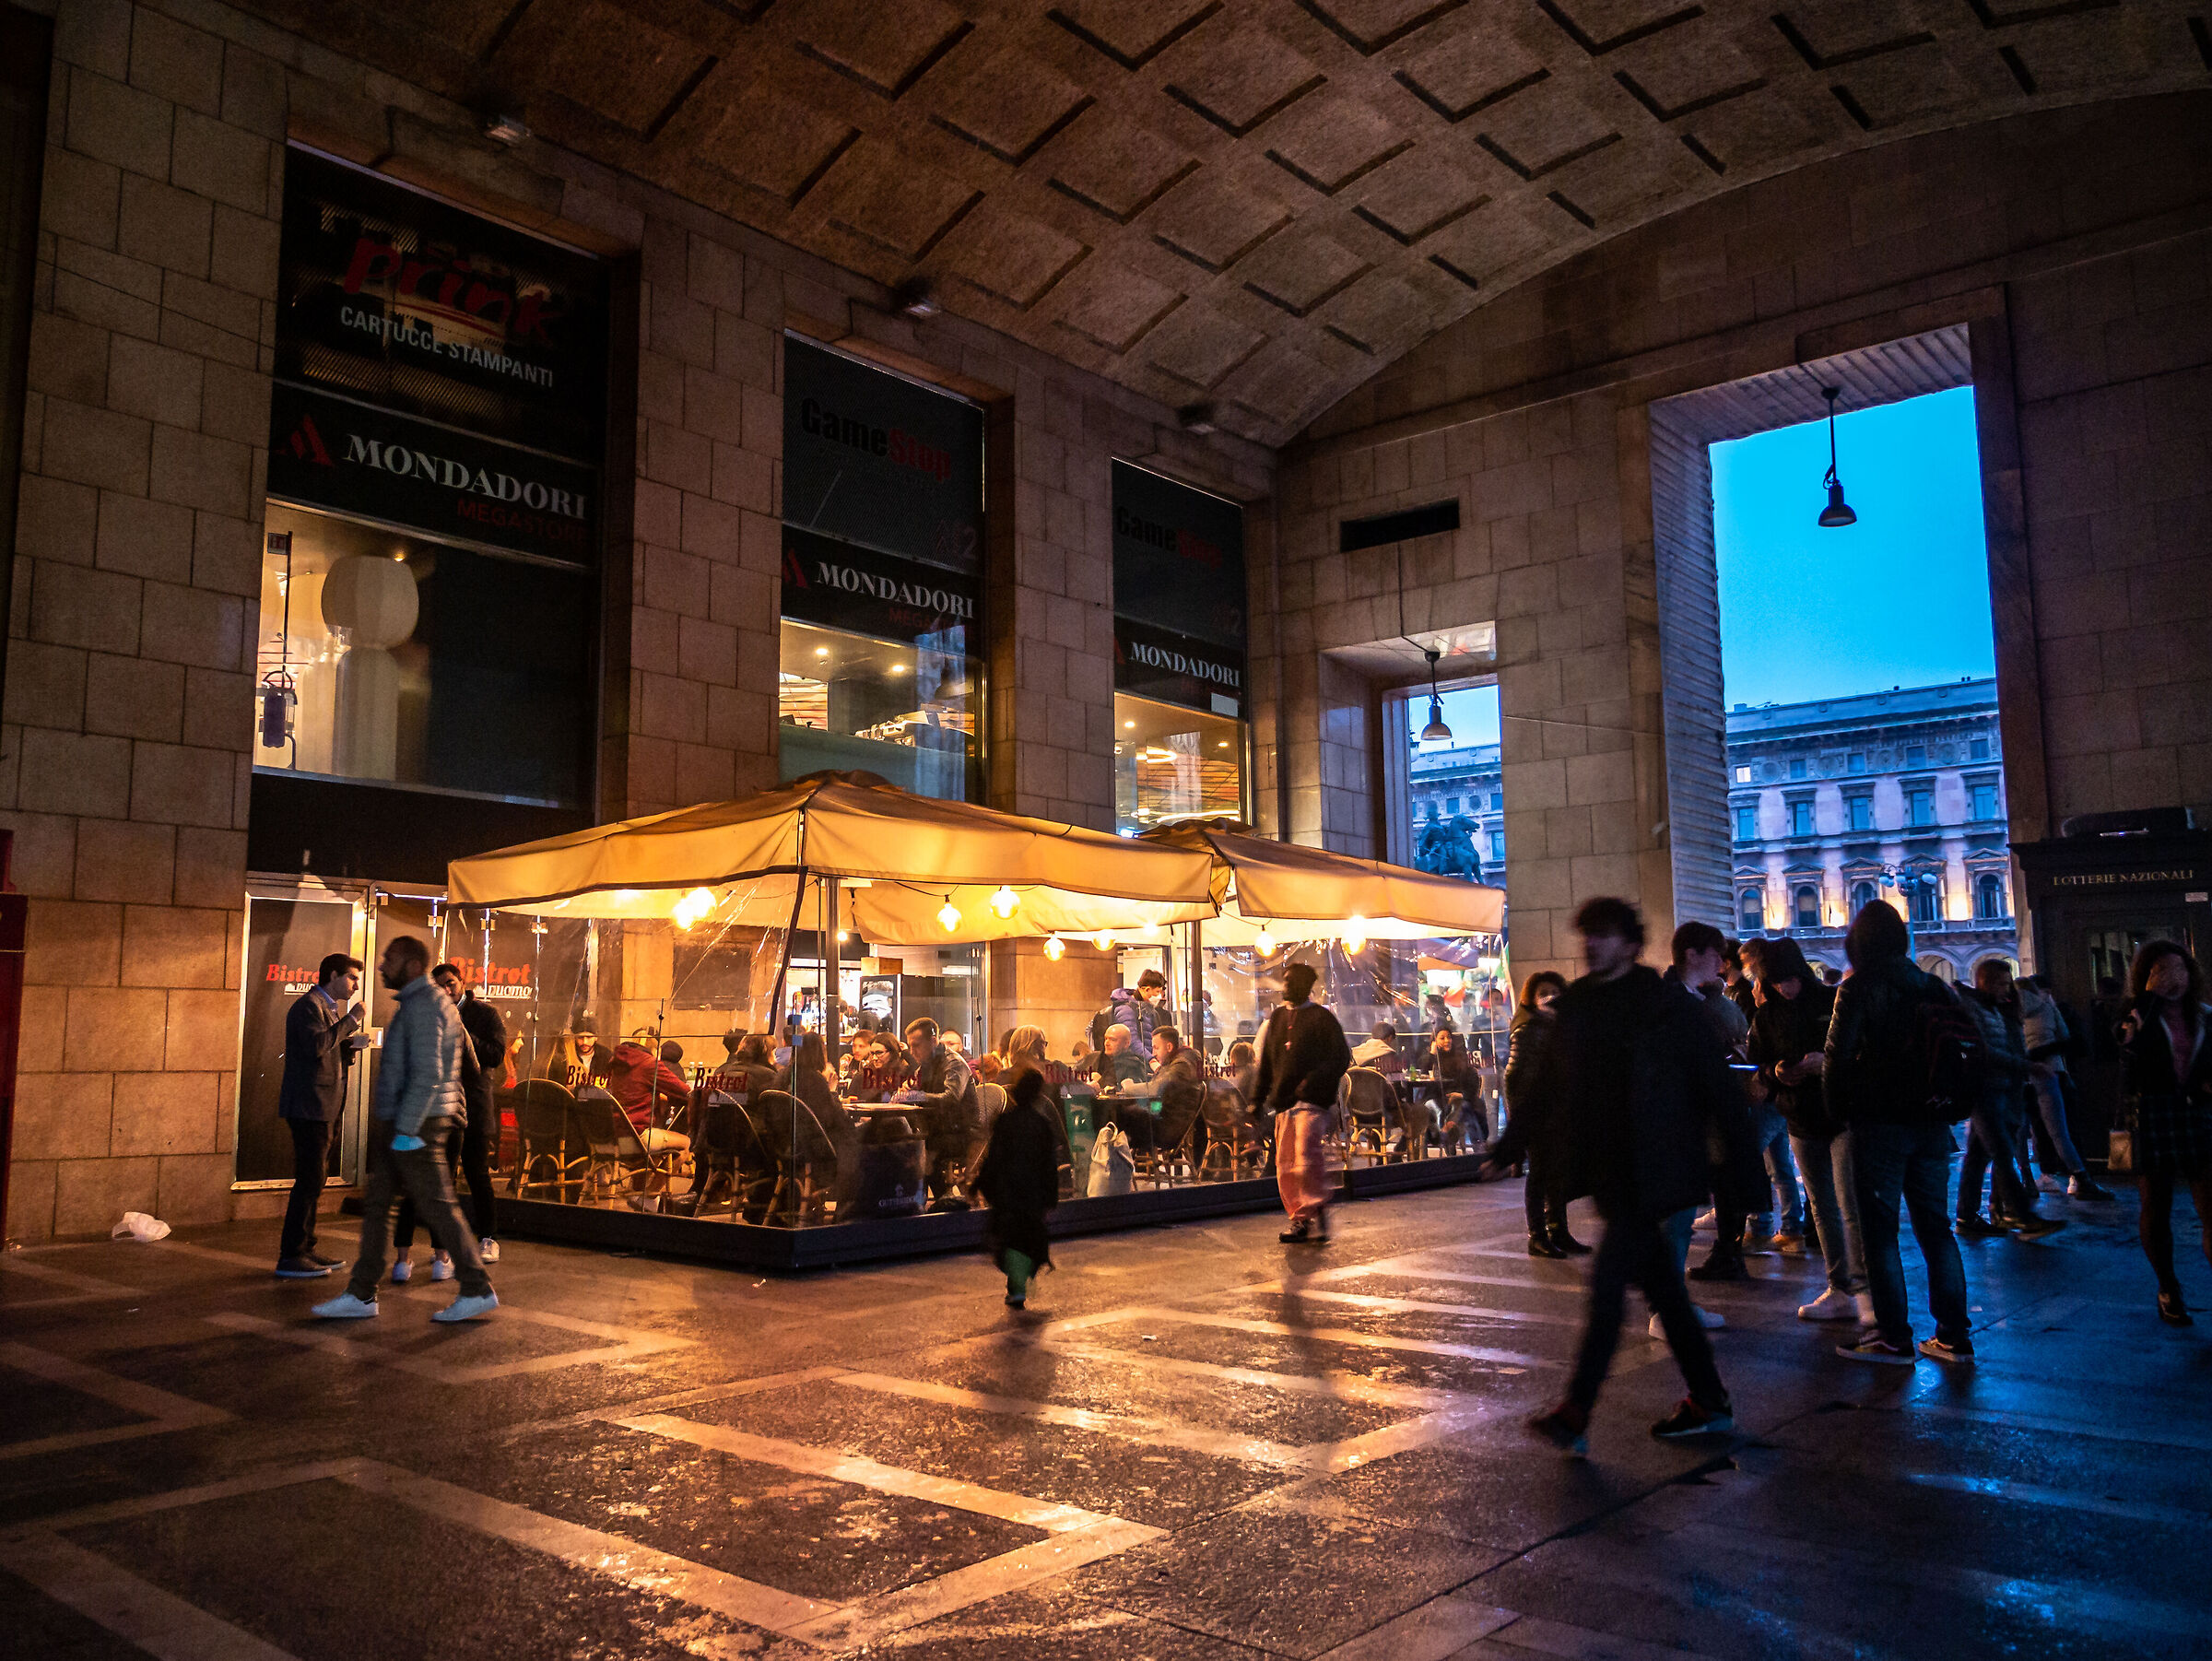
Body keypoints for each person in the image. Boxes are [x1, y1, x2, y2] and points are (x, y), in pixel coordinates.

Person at [1490, 898, 1757, 1455]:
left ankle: (1575, 1411)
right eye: (1588, 933)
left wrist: (1746, 1174)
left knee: (1608, 1289)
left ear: (1632, 944)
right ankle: (1710, 1401)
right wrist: (1512, 1143)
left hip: (1656, 1167)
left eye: (1606, 934)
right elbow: (1546, 1085)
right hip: (1610, 1170)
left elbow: (1717, 1088)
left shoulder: (1665, 1006)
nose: (1593, 944)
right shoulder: (1579, 1006)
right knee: (1666, 1294)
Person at [1822, 901, 1975, 1365]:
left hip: (1879, 1123)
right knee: (1937, 1229)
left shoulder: (1857, 988)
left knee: (1880, 1233)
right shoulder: (1932, 985)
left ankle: (1892, 1337)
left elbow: (1836, 1058)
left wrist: (1838, 1114)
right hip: (1931, 1121)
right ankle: (1953, 1336)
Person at [313, 936, 496, 1322]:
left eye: (390, 959)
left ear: (412, 966)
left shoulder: (427, 1006)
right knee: (381, 1206)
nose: (382, 965)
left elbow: (430, 1073)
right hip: (407, 1122)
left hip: (418, 1125)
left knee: (437, 1207)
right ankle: (362, 1292)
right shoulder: (418, 1004)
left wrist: (408, 1129)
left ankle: (476, 1287)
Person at [1742, 937, 1867, 1325]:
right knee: (1822, 1205)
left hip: (1841, 1115)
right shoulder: (1767, 1016)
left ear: (1801, 971)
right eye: (1776, 981)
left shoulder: (1832, 1001)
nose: (1784, 987)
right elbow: (1757, 1064)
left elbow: (1862, 1053)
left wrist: (1825, 1063)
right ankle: (1840, 1287)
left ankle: (1863, 1289)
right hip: (1799, 1117)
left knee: (1849, 1205)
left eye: (1789, 979)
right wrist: (1775, 1071)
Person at [1673, 922, 1798, 1285]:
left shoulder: (1711, 1004)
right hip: (1723, 1107)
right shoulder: (1700, 1002)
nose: (1722, 963)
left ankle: (1738, 1245)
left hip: (1725, 1108)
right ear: (1692, 955)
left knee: (1738, 1175)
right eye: (1716, 955)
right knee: (1760, 1169)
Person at [2116, 941, 2212, 1325]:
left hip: (2198, 1114)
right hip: (2154, 1114)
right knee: (2156, 1205)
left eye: (2180, 970)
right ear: (2147, 978)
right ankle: (2168, 1287)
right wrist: (2150, 1000)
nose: (2174, 979)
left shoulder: (2204, 1015)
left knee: (2210, 1205)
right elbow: (2122, 1047)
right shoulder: (2135, 1014)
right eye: (2162, 972)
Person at [390, 964, 502, 1283]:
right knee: (435, 1184)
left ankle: (486, 1238)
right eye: (439, 987)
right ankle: (438, 1254)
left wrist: (463, 1033)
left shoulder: (483, 1015)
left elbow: (493, 1056)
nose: (447, 990)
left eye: (451, 984)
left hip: (468, 1110)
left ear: (462, 983)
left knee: (476, 1173)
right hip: (437, 1114)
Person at [1956, 959, 2066, 1240]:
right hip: (1984, 1089)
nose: (2007, 990)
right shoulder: (1976, 1008)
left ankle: (1967, 1216)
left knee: (1979, 1156)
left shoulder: (1993, 1008)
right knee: (2002, 1153)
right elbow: (1984, 1051)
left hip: (1996, 1088)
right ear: (1986, 983)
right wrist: (2028, 1066)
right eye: (2003, 984)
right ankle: (2021, 1214)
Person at [275, 952, 366, 1278]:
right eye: (352, 977)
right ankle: (292, 1254)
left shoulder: (328, 1009)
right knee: (310, 1179)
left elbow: (326, 1050)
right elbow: (316, 1046)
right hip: (309, 1106)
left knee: (317, 1179)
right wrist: (351, 1020)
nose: (356, 985)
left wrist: (348, 1048)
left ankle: (306, 1248)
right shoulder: (308, 1007)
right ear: (333, 975)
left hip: (325, 1105)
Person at [1252, 960, 1352, 1245]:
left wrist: (1313, 1081)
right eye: (1285, 980)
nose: (1286, 986)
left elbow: (1340, 1058)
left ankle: (1311, 1211)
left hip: (1312, 1101)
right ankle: (1302, 1216)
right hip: (1285, 1103)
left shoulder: (1322, 1018)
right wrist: (1256, 1100)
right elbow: (1267, 1064)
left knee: (1305, 1156)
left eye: (1291, 981)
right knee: (1285, 1163)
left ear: (1306, 986)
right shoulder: (1277, 1019)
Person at [2017, 973, 2111, 1199]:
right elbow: (2068, 1037)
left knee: (2022, 1132)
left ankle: (2030, 1179)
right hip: (2052, 1072)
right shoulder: (2049, 1007)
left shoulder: (2006, 1009)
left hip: (2020, 1076)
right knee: (2062, 1131)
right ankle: (2080, 1179)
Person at [1507, 971, 1580, 1257]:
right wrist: (1518, 1118)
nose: (1550, 997)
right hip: (1535, 1114)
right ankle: (1537, 1235)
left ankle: (1558, 1230)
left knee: (1557, 1173)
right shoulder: (1527, 1028)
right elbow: (1514, 1077)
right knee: (1539, 1174)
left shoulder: (1559, 1027)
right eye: (1543, 993)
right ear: (1532, 999)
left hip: (1558, 1113)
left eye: (1555, 992)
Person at [977, 1066, 1061, 1309]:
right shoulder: (1042, 1124)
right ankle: (1021, 1283)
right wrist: (1050, 1197)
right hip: (1032, 1192)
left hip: (1009, 1191)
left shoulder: (1006, 1121)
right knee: (1028, 1239)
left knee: (1011, 1240)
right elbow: (1049, 1165)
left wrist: (981, 1183)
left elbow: (994, 1157)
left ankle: (1016, 1286)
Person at [895, 1016, 979, 1198]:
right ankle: (927, 1200)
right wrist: (904, 1092)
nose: (912, 1051)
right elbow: (915, 1090)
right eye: (910, 1046)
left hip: (960, 1133)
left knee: (918, 1149)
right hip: (939, 1130)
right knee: (901, 1142)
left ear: (933, 1041)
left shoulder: (954, 1063)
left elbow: (951, 1097)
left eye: (916, 1045)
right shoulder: (926, 1065)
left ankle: (929, 1200)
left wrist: (915, 1095)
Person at [1148, 1024, 1206, 1156]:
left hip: (1168, 1128)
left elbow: (1160, 1088)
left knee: (1123, 1119)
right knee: (1127, 1116)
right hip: (1167, 1122)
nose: (1153, 1053)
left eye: (1156, 1048)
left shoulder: (1182, 1064)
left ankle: (1116, 1165)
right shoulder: (1176, 1062)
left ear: (1169, 1047)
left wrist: (1130, 1089)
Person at [1087, 1022, 1149, 1090]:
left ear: (1126, 1043)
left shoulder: (1133, 1066)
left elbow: (1130, 1092)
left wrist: (1099, 1081)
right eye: (1106, 1039)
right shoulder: (1099, 1060)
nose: (1106, 1043)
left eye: (1113, 1040)